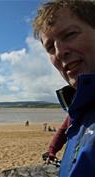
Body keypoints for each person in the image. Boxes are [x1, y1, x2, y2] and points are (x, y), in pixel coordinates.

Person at [33, 0, 95, 176]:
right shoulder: (79, 110)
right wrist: (52, 150)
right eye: (50, 47)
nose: (59, 52)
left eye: (69, 34)